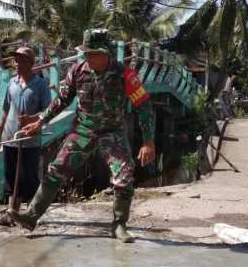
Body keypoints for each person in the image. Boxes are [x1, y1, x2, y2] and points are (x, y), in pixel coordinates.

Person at [13, 29, 156, 243]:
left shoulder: (124, 74)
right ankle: (31, 217)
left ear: (106, 53)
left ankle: (119, 226)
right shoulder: (77, 71)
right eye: (86, 53)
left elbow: (144, 106)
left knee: (124, 178)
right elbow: (61, 100)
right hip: (83, 130)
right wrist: (40, 121)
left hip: (112, 132)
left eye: (93, 54)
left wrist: (148, 141)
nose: (88, 58)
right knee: (56, 170)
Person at [0, 46, 51, 221]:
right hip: (11, 137)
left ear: (30, 63)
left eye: (21, 60)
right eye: (15, 60)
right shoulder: (11, 83)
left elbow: (48, 111)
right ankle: (12, 212)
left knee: (30, 177)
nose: (17, 64)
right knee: (12, 176)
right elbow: (5, 109)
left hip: (30, 139)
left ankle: (31, 215)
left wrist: (31, 119)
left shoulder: (40, 85)